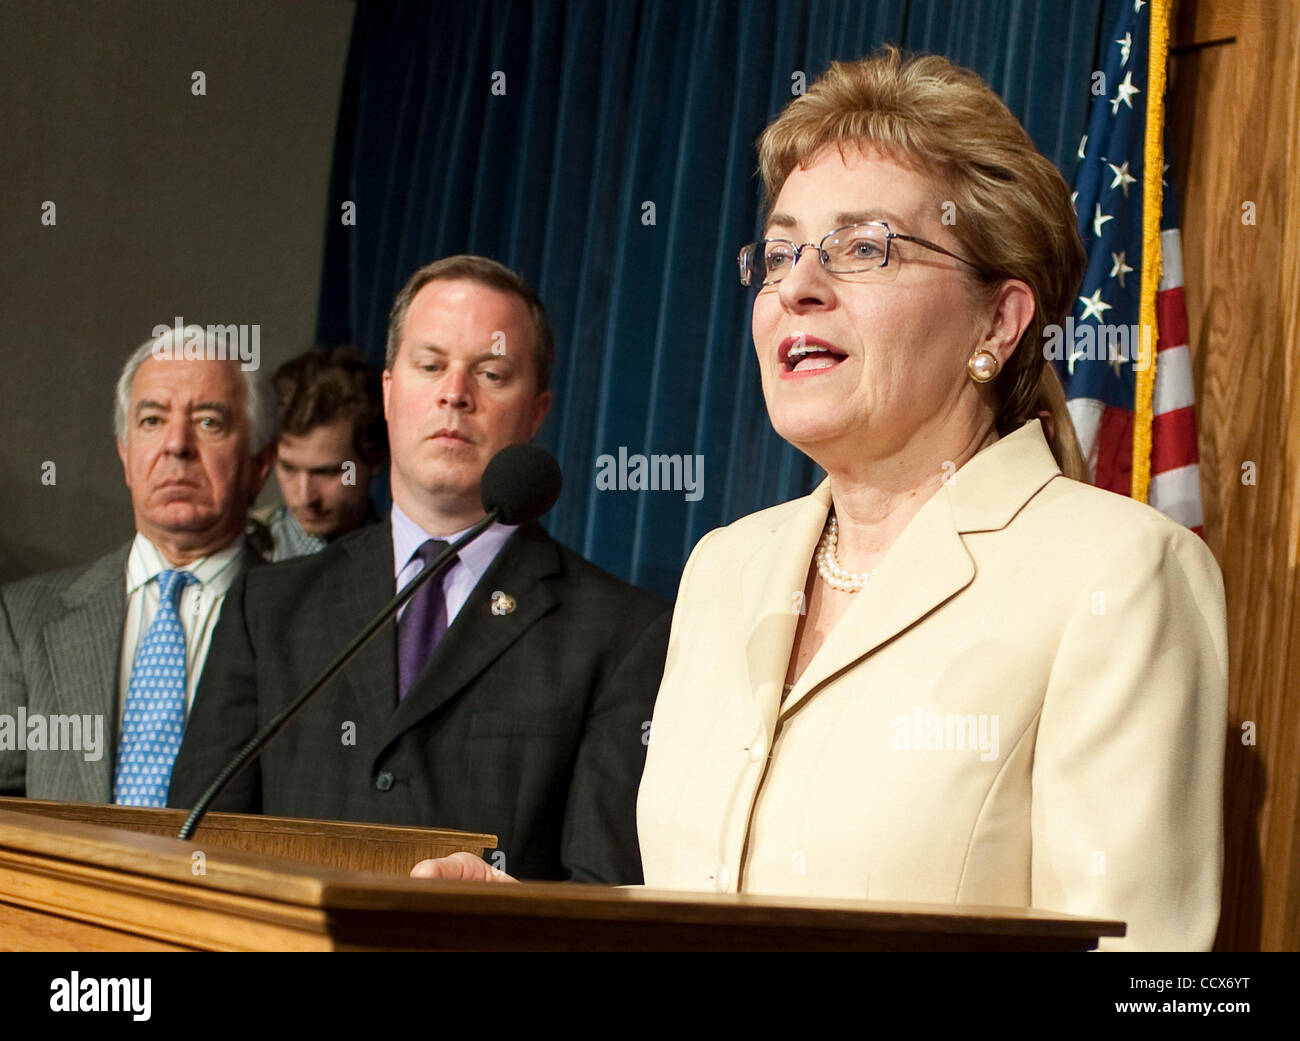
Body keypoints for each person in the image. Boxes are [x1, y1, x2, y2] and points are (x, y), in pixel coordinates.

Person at [415, 50, 1229, 953]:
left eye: (863, 247)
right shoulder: (727, 568)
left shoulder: (1119, 576)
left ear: (997, 321)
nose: (798, 284)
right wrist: (523, 928)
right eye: (779, 253)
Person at [169, 256, 670, 884]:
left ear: (537, 412)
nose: (454, 392)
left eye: (491, 373)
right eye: (430, 365)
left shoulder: (623, 634)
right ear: (387, 392)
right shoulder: (268, 608)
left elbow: (603, 893)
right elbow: (191, 851)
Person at [0, 326, 275, 804]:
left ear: (260, 462)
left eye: (209, 422)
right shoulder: (25, 618)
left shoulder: (302, 624)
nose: (177, 445)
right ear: (125, 455)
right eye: (151, 421)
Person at [252, 347, 386, 561]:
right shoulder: (243, 556)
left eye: (327, 472)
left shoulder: (404, 562)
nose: (305, 497)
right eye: (288, 468)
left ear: (375, 458)